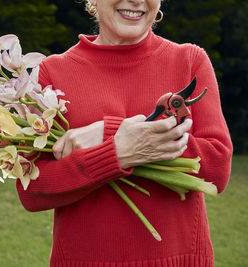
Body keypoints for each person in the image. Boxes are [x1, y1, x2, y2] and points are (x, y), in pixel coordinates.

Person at [16, 0, 233, 266]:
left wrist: (105, 133)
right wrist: (116, 152)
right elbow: (32, 190)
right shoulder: (51, 73)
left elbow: (217, 168)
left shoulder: (189, 60)